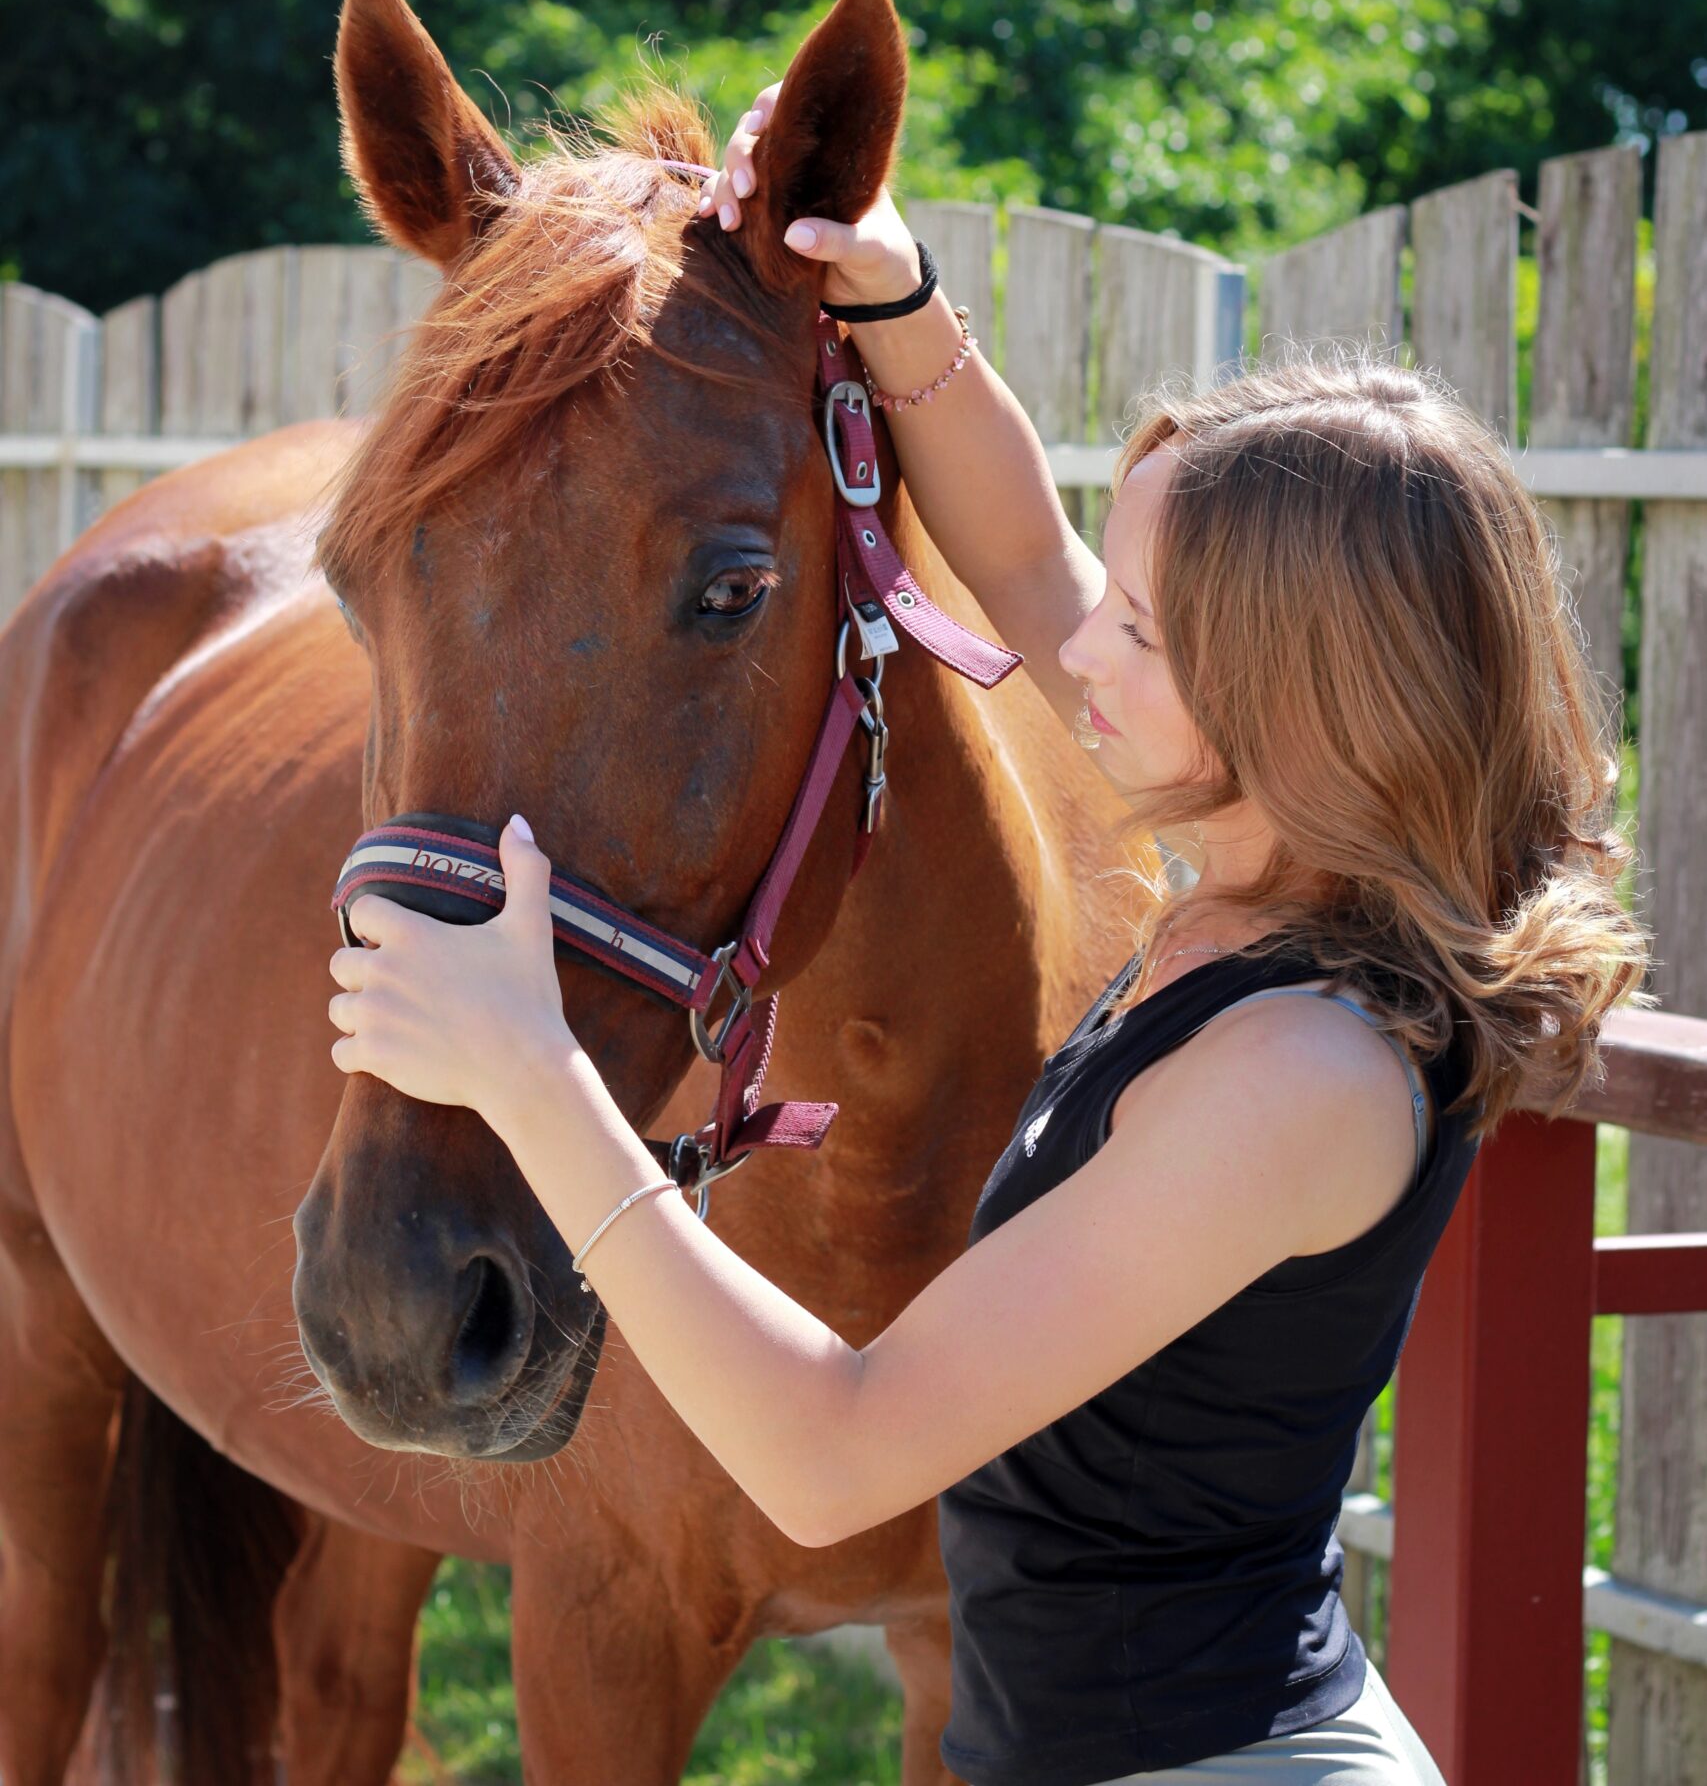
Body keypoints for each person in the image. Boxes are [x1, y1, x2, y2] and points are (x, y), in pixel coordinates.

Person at [328, 91, 1647, 1784]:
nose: (1075, 648)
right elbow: (1017, 546)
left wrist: (533, 1072)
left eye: (1142, 634)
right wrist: (885, 288)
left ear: (1300, 710)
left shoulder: (1304, 1073)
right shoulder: (1263, 883)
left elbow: (833, 1450)